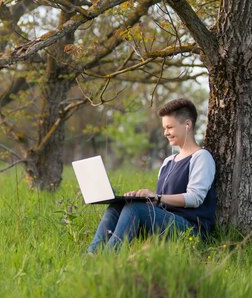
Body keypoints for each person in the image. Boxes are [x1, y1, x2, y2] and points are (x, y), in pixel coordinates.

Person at [87, 98, 216, 253]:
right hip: (165, 220)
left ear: (187, 124)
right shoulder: (168, 161)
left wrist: (157, 197)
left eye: (169, 127)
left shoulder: (201, 157)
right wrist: (142, 198)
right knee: (118, 206)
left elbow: (195, 198)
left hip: (190, 229)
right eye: (164, 128)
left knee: (135, 209)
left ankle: (107, 259)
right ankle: (91, 257)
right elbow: (161, 204)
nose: (165, 132)